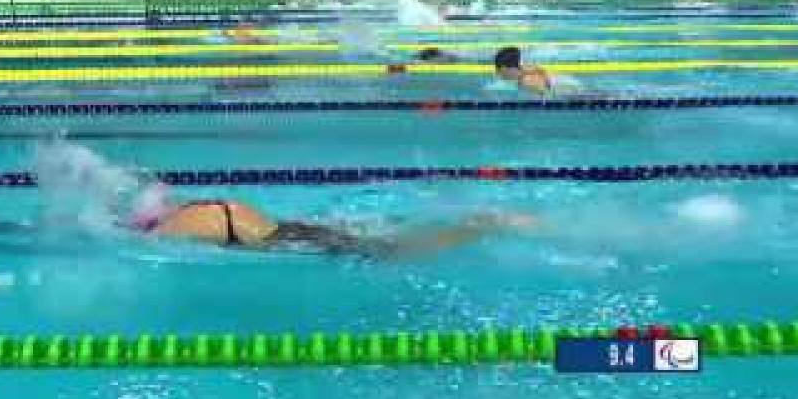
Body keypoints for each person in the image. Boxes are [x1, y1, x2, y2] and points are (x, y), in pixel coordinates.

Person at [125, 182, 539, 259]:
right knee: (378, 237)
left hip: (277, 239)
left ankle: (487, 223)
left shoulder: (162, 234)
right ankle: (483, 221)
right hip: (277, 227)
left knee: (397, 252)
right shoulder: (179, 213)